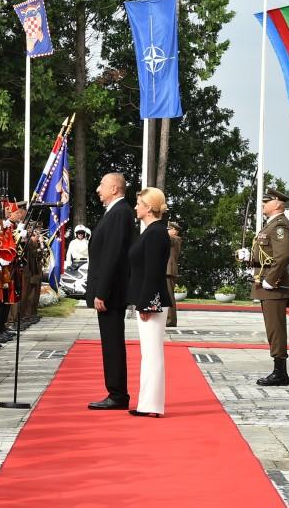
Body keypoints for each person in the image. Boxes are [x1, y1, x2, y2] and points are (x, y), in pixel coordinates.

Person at [86, 173, 137, 410]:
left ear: (114, 188)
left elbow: (112, 255)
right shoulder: (116, 211)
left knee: (112, 343)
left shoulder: (119, 212)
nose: (98, 189)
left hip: (111, 292)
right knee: (110, 342)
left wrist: (102, 291)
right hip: (110, 290)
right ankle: (116, 392)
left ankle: (117, 394)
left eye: (102, 185)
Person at [128, 188, 172, 417]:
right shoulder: (152, 231)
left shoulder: (155, 233)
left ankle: (152, 405)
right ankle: (147, 404)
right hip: (148, 299)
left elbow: (153, 272)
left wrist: (147, 304)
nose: (135, 207)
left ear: (148, 207)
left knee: (152, 353)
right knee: (149, 353)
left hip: (152, 301)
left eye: (139, 203)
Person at [251, 188, 289, 387]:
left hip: (273, 286)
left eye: (266, 202)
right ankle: (279, 370)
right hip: (266, 282)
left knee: (275, 328)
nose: (263, 205)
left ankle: (280, 373)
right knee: (272, 328)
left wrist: (271, 279)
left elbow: (282, 256)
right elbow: (266, 252)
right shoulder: (271, 224)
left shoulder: (280, 225)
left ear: (277, 204)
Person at [165, 222, 182, 328]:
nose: (167, 231)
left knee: (169, 296)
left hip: (169, 270)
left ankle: (170, 320)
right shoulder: (172, 239)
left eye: (169, 229)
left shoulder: (175, 239)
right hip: (168, 270)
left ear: (174, 231)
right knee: (167, 295)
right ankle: (168, 319)